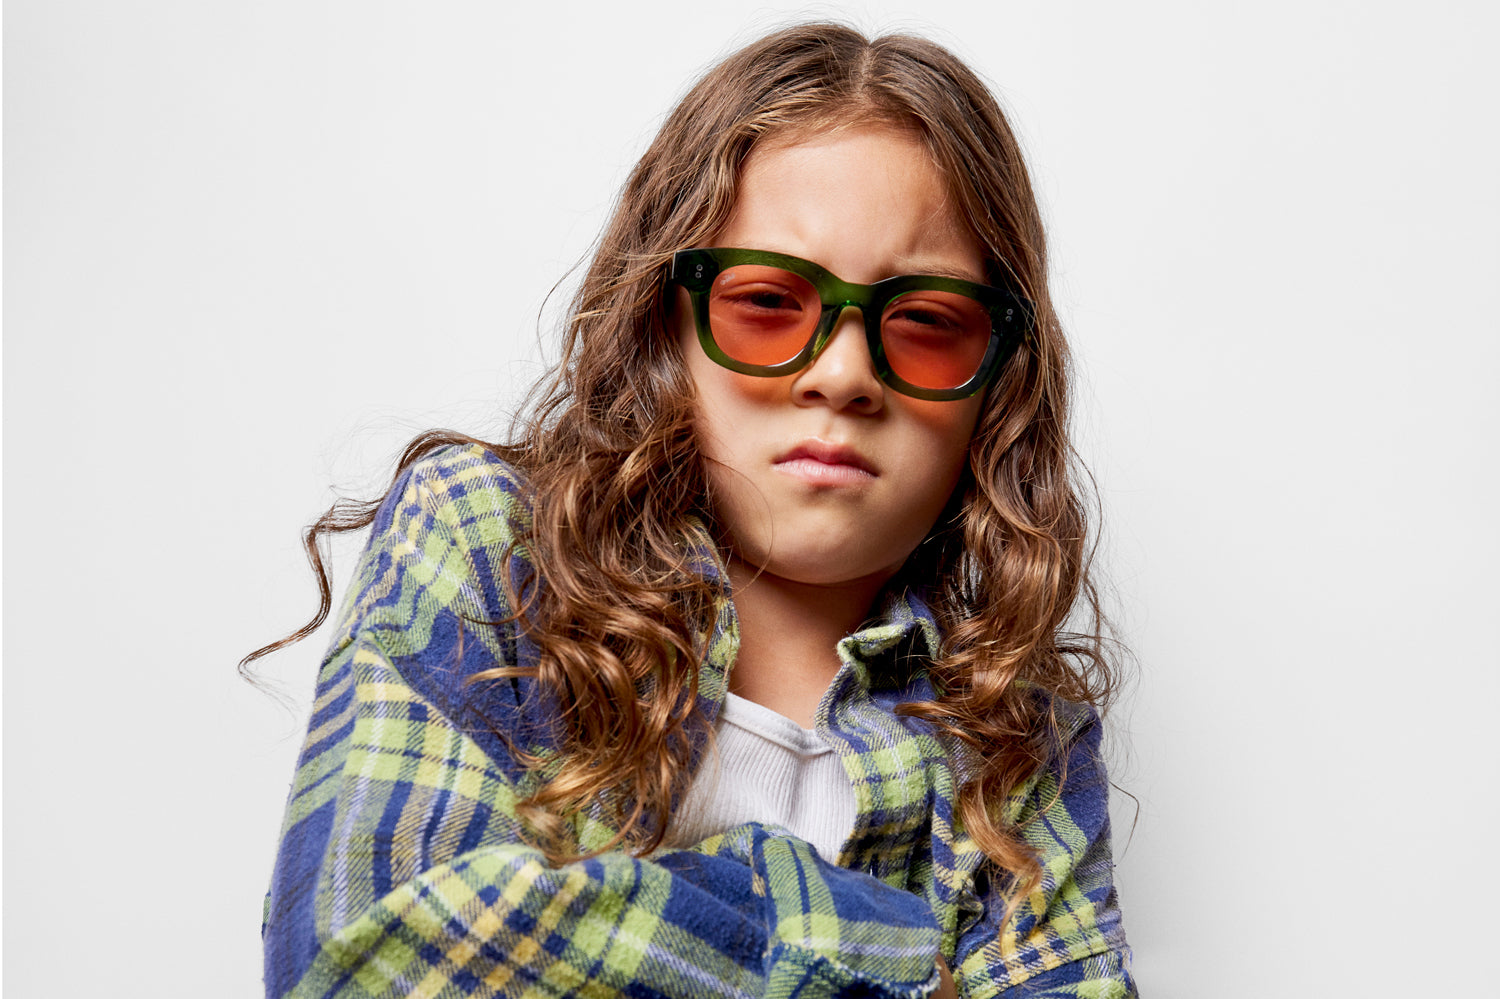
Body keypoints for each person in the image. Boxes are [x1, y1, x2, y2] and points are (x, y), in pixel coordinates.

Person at [253, 23, 1135, 999]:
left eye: (926, 322)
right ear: (662, 325)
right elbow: (364, 958)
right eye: (768, 303)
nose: (843, 375)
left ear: (999, 382)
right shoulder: (490, 548)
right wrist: (892, 952)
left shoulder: (1021, 737)